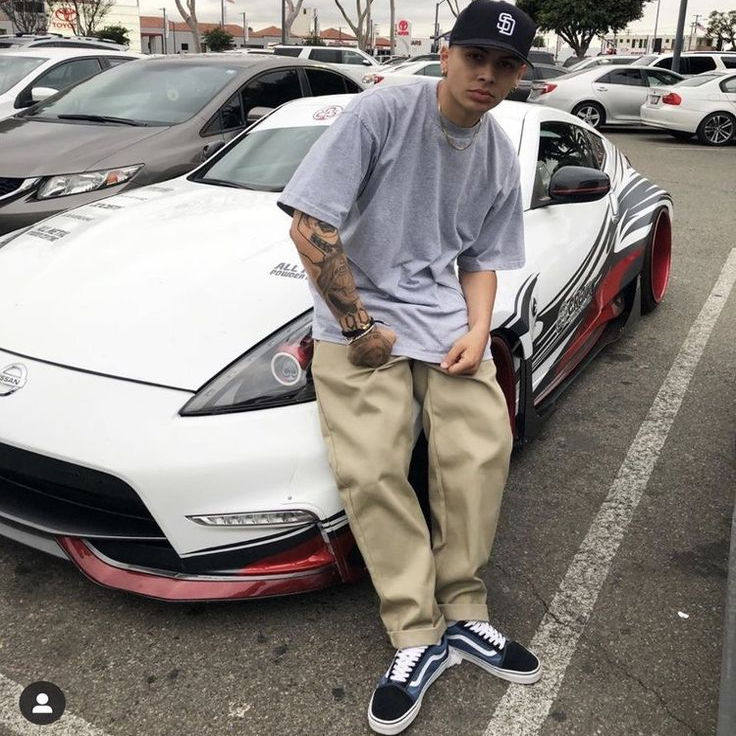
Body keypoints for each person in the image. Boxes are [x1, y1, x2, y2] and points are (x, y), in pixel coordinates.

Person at [278, 1, 542, 732]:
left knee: (480, 452)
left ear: (519, 74)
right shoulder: (384, 112)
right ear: (447, 54)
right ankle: (416, 632)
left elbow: (482, 257)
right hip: (357, 317)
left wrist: (480, 331)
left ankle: (464, 611)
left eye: (505, 65)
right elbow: (310, 224)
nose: (486, 75)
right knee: (372, 470)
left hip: (444, 318)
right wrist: (358, 329)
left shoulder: (496, 152)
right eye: (475, 57)